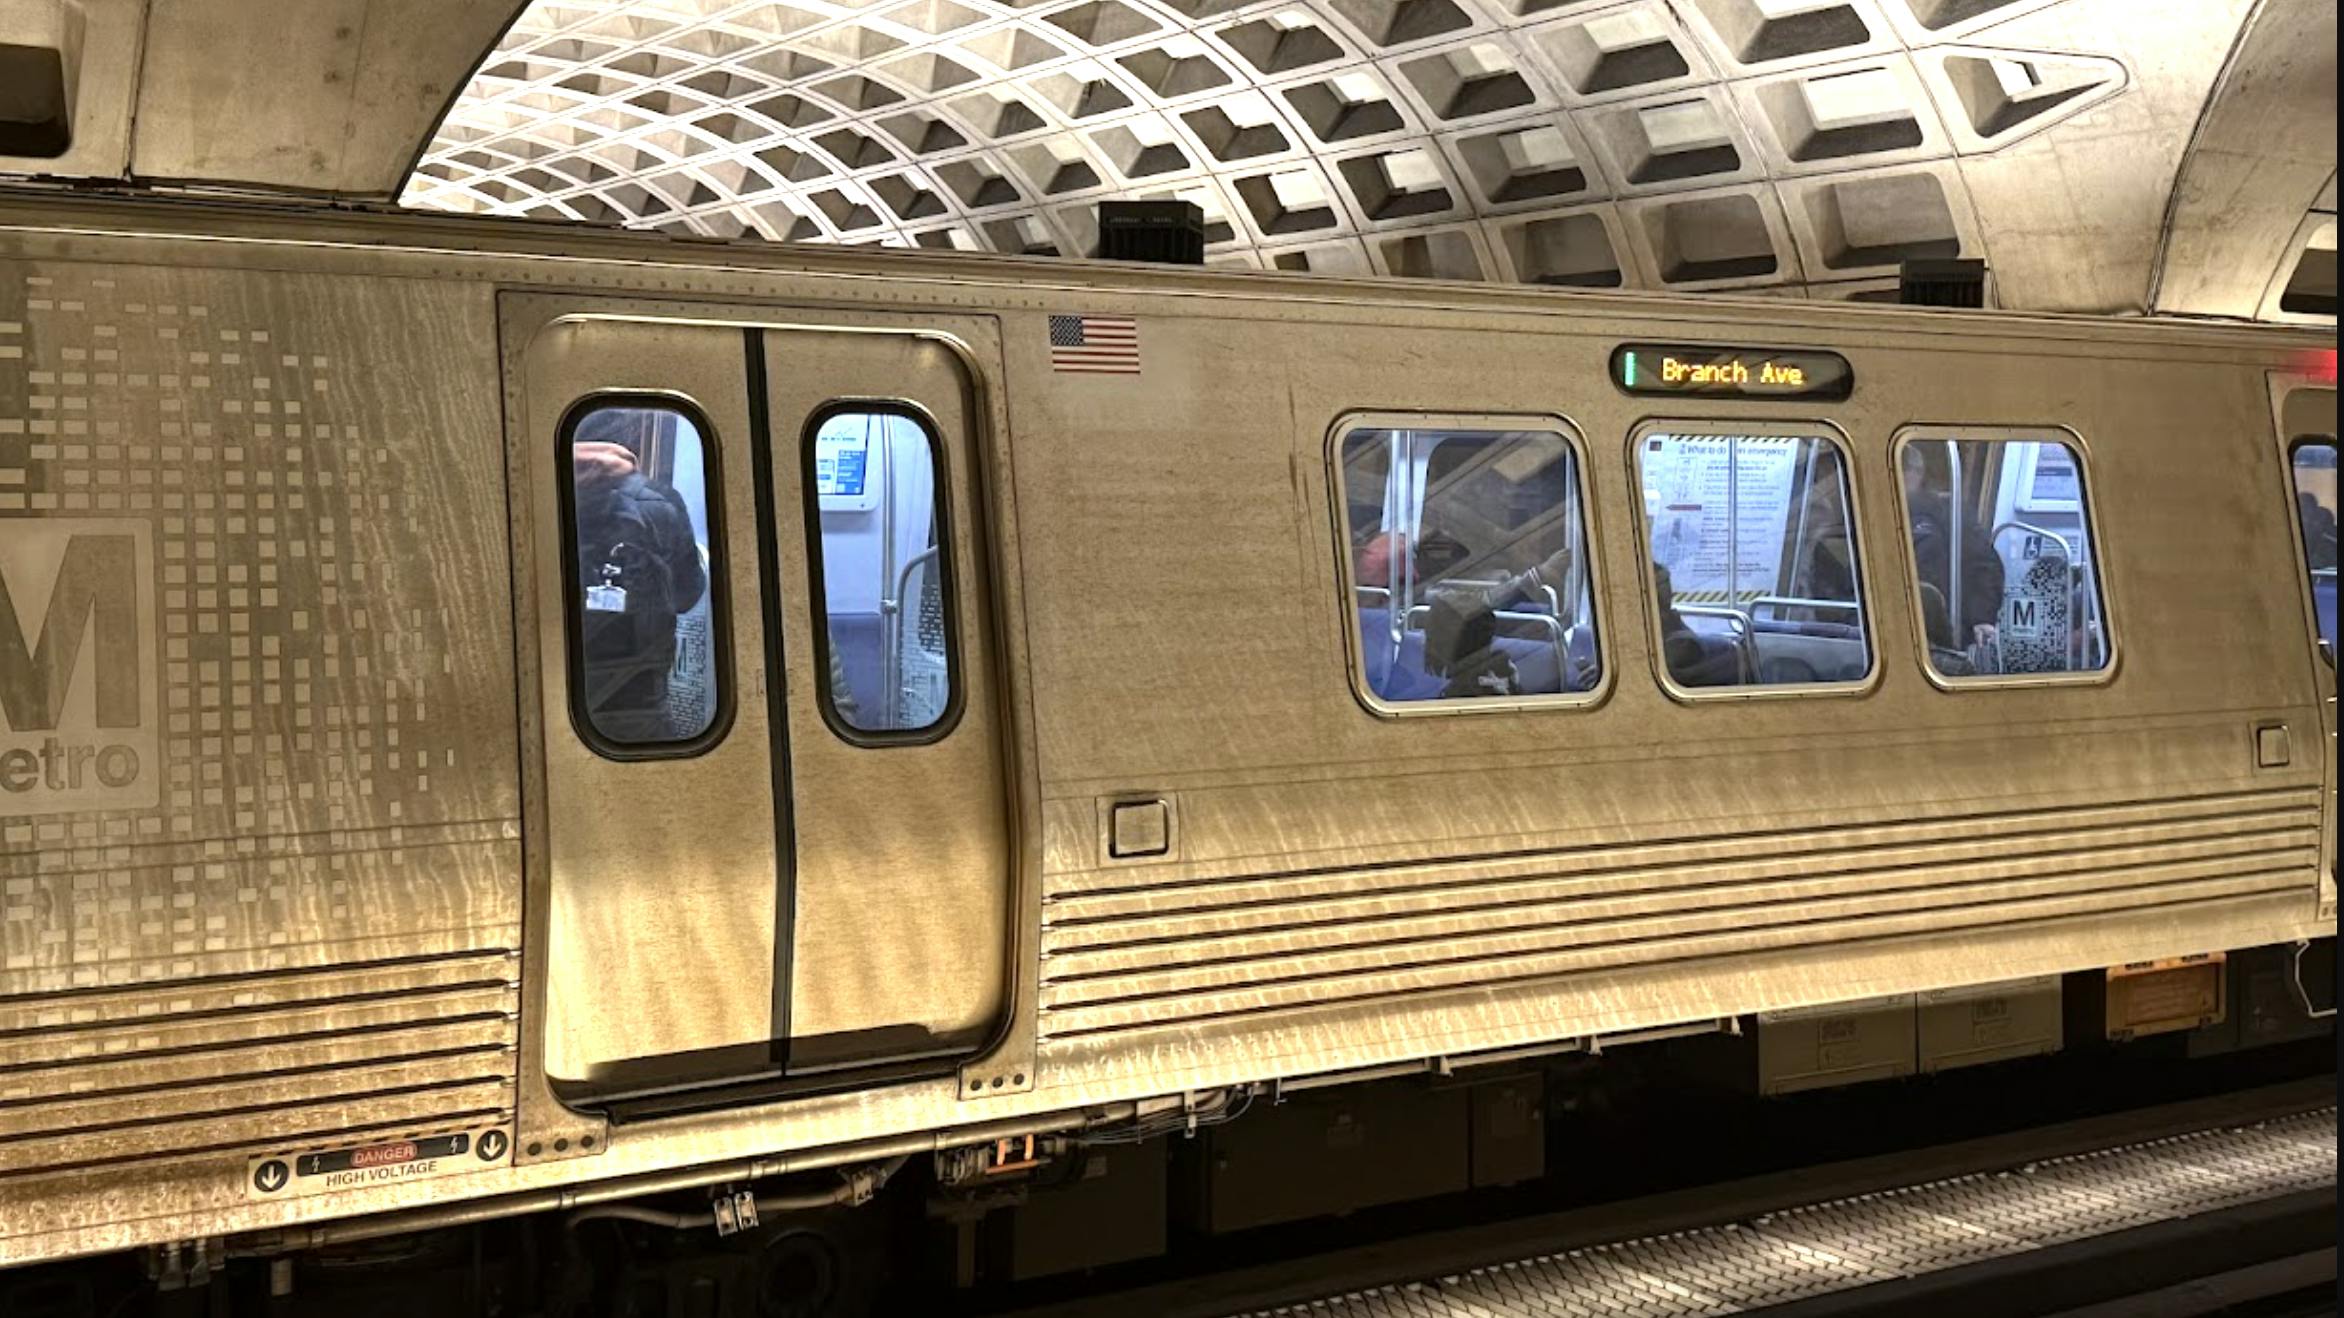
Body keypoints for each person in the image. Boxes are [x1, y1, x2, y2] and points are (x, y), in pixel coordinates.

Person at [572, 427, 707, 743]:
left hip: (553, 690)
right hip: (638, 702)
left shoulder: (531, 493)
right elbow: (687, 596)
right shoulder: (658, 502)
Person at [1901, 445, 2003, 652]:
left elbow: (1982, 562)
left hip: (1940, 627)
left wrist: (1981, 617)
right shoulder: (1875, 515)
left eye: (1901, 469)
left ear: (1918, 472)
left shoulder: (1949, 512)